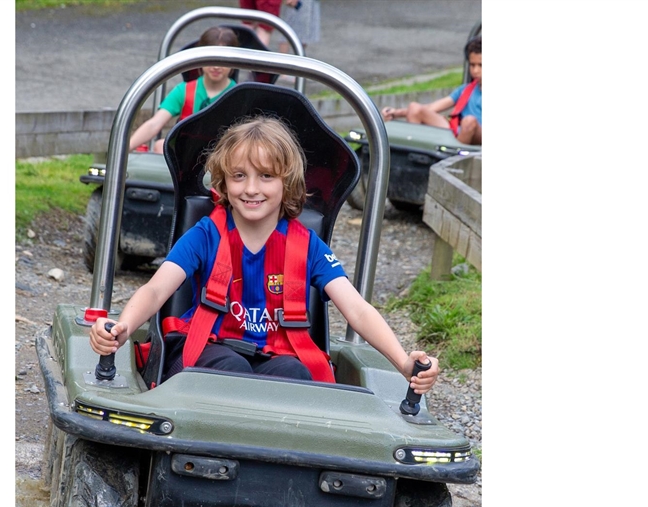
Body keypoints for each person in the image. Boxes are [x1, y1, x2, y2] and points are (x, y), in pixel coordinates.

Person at [90, 116, 440, 393]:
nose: (252, 188)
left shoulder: (308, 246)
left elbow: (357, 309)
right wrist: (123, 326)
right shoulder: (206, 234)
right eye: (240, 176)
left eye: (266, 176)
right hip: (210, 350)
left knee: (295, 374)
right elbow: (156, 289)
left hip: (277, 355)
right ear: (224, 183)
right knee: (233, 371)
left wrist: (403, 361)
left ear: (287, 183)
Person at [127, 26, 240, 154]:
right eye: (211, 59)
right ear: (200, 58)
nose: (215, 66)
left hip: (221, 158)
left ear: (234, 62)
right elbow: (154, 124)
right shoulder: (184, 91)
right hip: (185, 157)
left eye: (222, 60)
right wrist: (123, 150)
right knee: (160, 145)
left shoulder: (239, 95)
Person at [381, 36, 482, 145]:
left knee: (469, 121)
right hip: (459, 130)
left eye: (481, 65)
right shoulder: (466, 90)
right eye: (472, 65)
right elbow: (431, 108)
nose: (475, 70)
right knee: (415, 108)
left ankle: (454, 156)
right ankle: (415, 153)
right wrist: (396, 113)